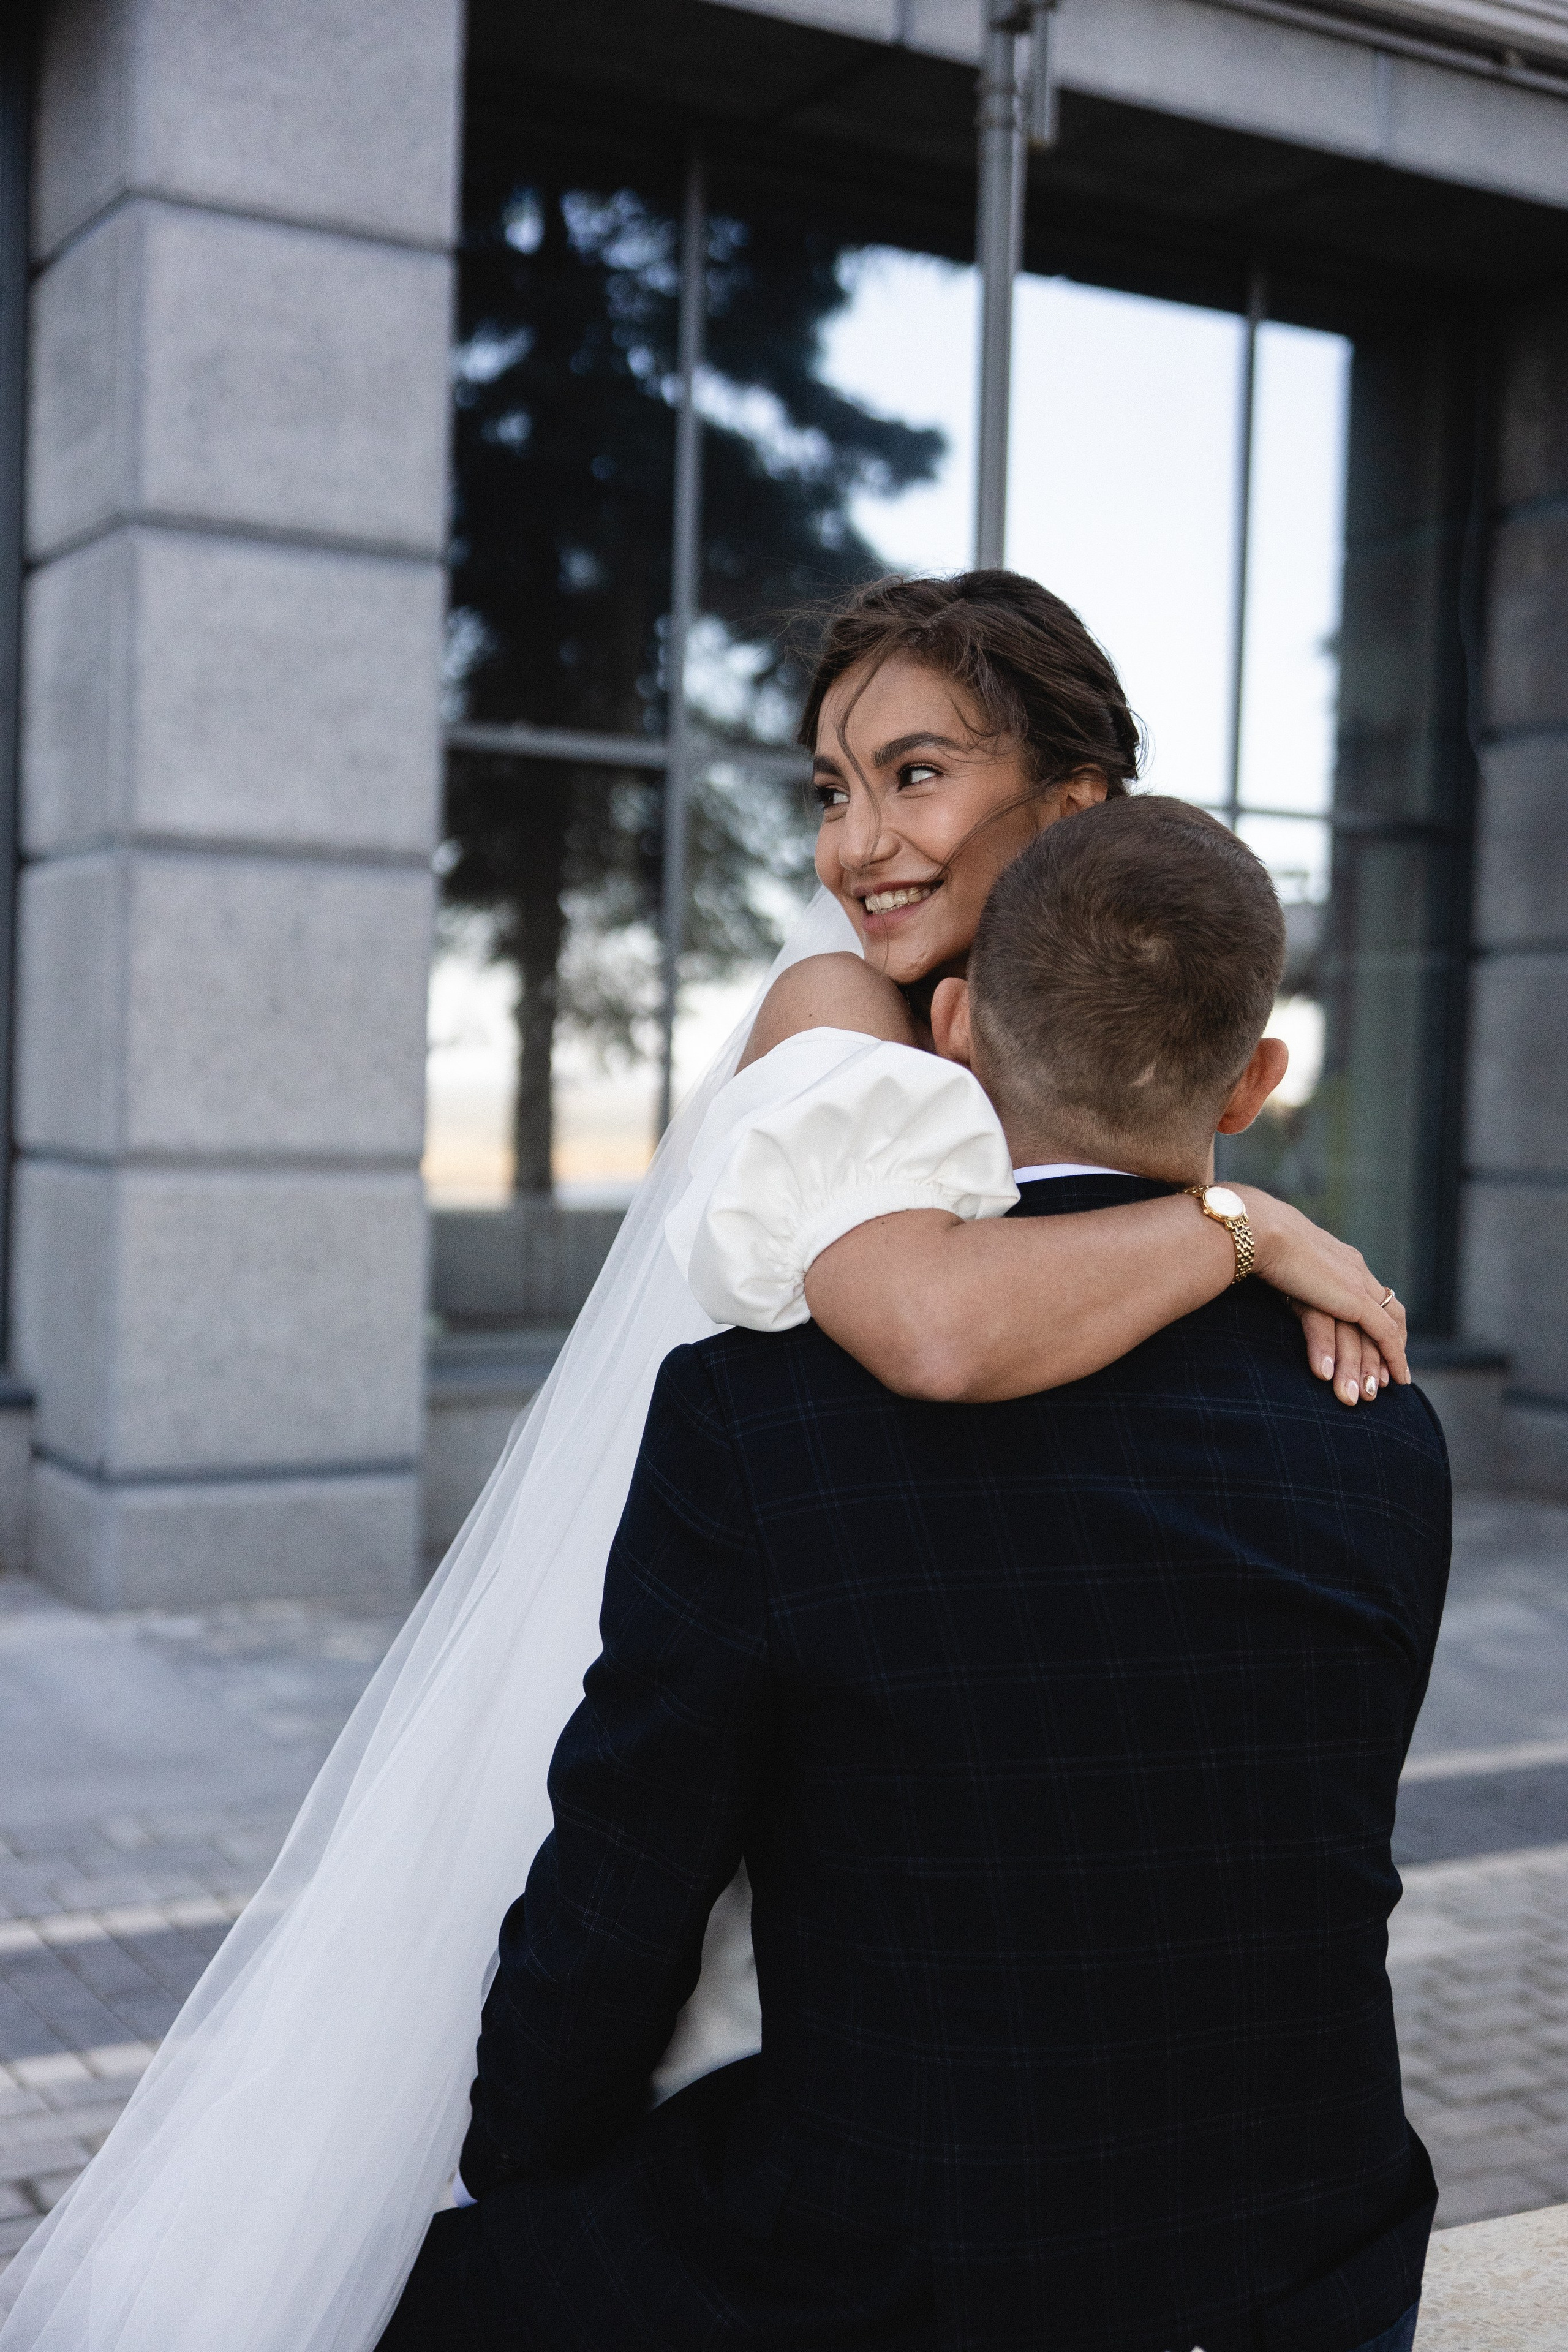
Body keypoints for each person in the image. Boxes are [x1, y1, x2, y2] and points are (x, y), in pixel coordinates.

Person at [0, 578, 1407, 2352]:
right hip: (728, 1688)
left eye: (911, 777)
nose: (857, 846)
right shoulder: (844, 1020)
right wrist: (1238, 1211)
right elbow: (942, 1331)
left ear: (1072, 809)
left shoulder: (1013, 1053)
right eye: (830, 791)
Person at [379, 796, 1447, 2351]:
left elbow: (619, 1899)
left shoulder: (763, 1415)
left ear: (948, 1030)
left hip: (897, 2275)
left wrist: (524, 2178)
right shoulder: (1375, 1410)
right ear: (1256, 1081)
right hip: (1315, 2264)